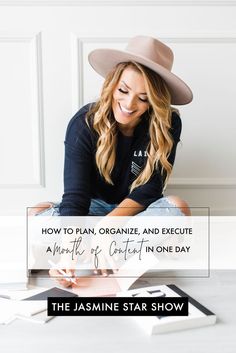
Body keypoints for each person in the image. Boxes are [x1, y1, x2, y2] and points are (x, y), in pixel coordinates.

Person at [30, 35, 193, 287]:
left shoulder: (167, 123)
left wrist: (109, 227)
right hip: (90, 211)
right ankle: (111, 252)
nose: (129, 104)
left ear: (156, 100)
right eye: (124, 91)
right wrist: (67, 254)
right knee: (37, 220)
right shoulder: (84, 123)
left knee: (177, 208)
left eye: (143, 97)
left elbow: (150, 188)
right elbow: (76, 197)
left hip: (131, 214)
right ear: (112, 84)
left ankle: (97, 250)